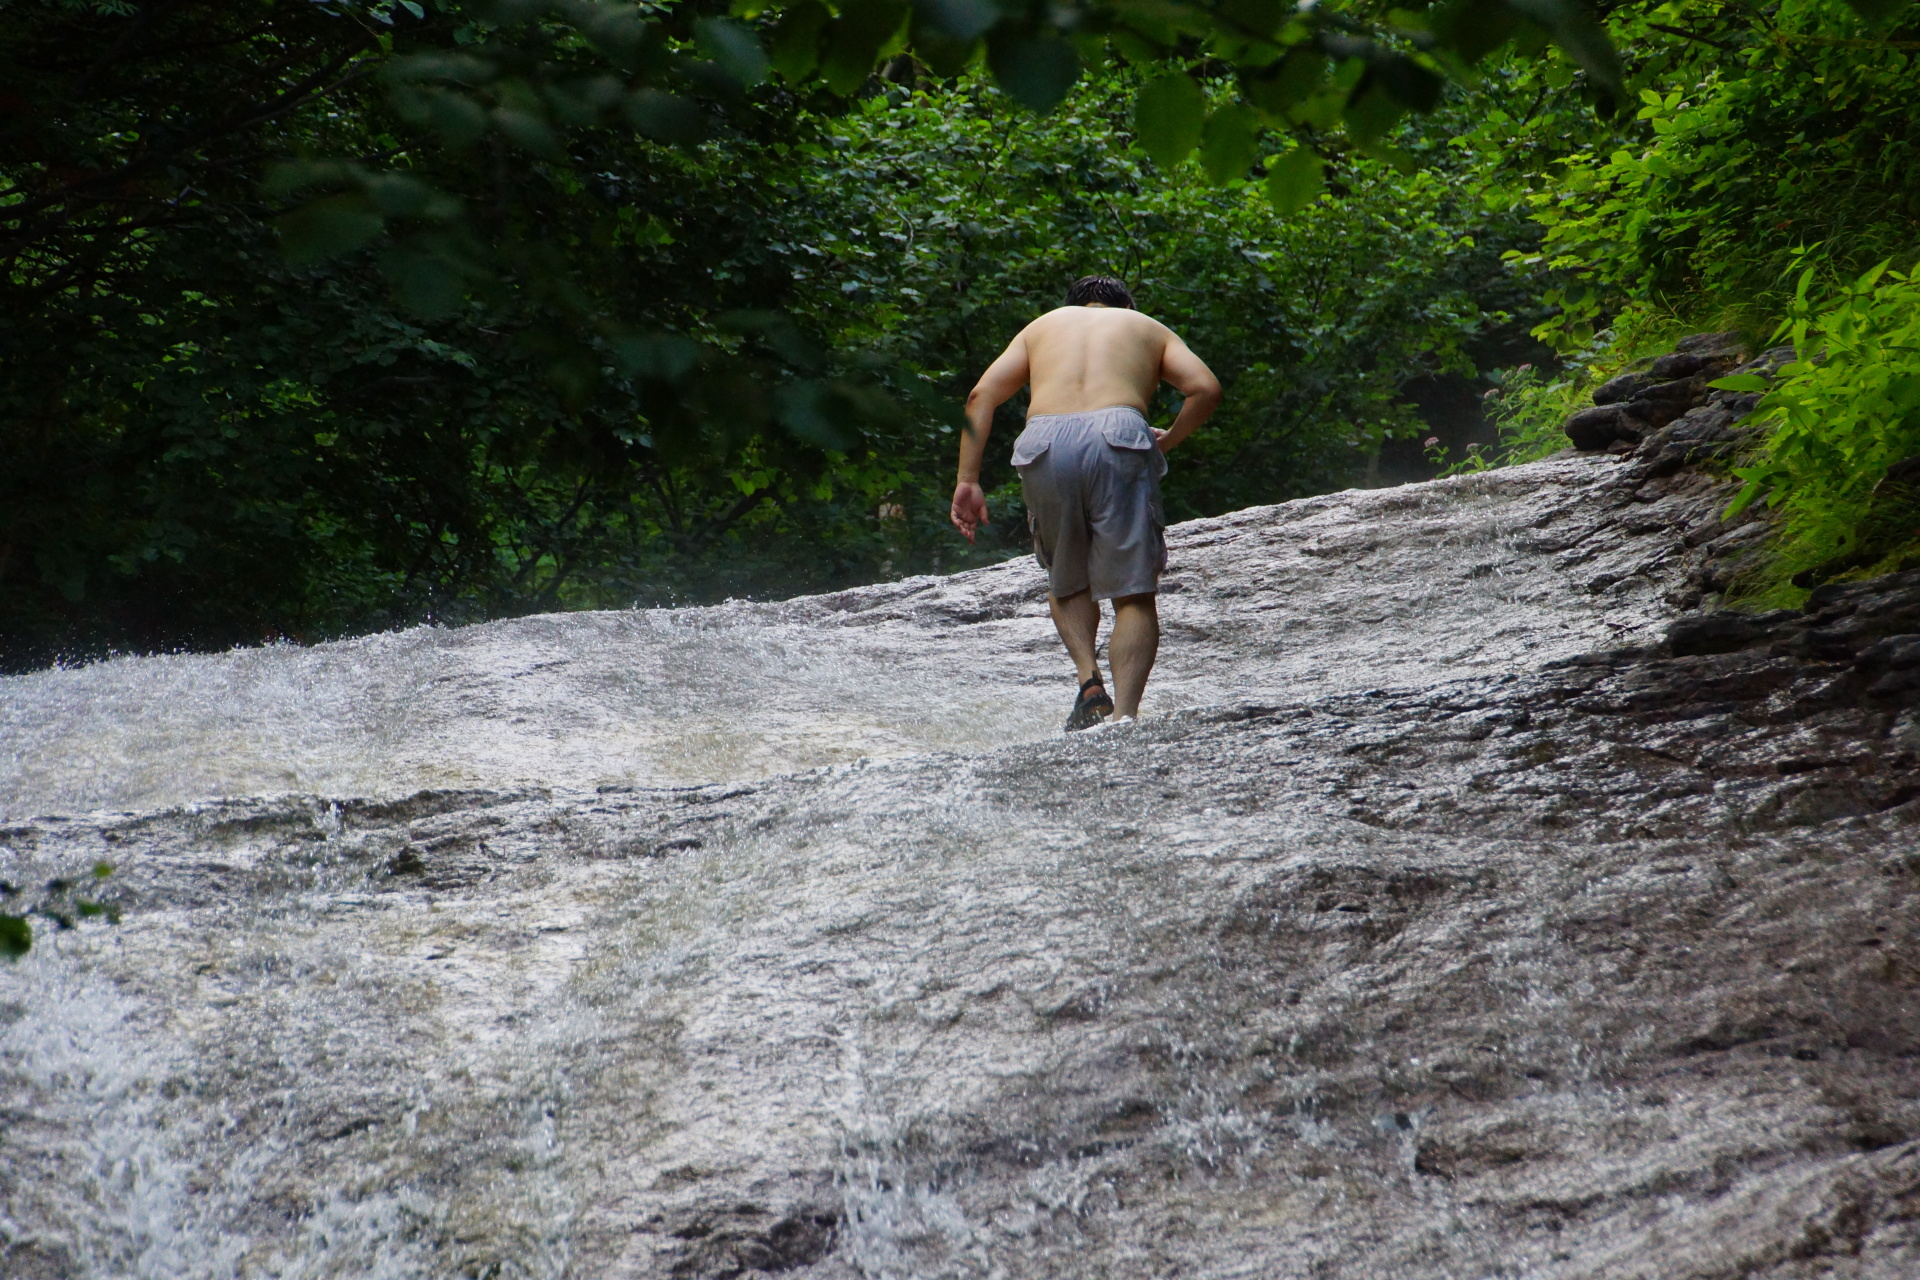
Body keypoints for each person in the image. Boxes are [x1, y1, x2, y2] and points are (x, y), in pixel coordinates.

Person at [950, 275, 1222, 731]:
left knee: (1066, 575)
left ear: (1073, 303)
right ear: (1125, 305)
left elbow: (981, 396)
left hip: (1044, 441)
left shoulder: (1041, 327)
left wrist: (967, 479)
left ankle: (1089, 683)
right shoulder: (1144, 326)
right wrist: (1168, 440)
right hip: (1119, 434)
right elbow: (1206, 389)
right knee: (1133, 591)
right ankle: (1124, 719)